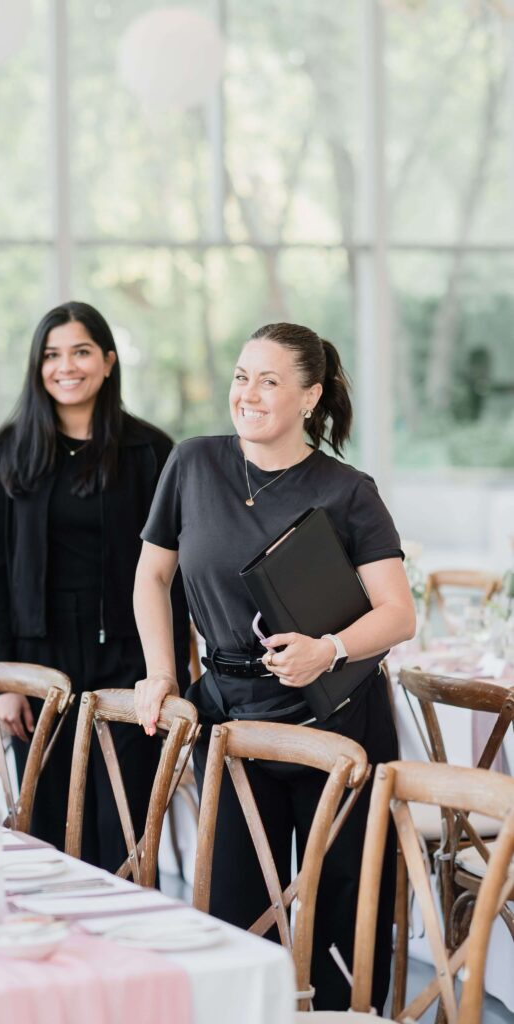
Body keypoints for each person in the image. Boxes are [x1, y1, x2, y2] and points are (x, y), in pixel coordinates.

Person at [133, 322, 415, 1011]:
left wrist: (331, 648)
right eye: (240, 376)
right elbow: (151, 576)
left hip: (337, 716)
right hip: (228, 714)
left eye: (268, 380)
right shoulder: (193, 464)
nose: (247, 394)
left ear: (310, 397)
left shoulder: (349, 490)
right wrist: (162, 675)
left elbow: (398, 614)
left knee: (345, 906)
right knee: (233, 904)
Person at [0, 301, 189, 869]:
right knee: (44, 826)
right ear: (37, 365)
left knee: (119, 824)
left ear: (108, 361)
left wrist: (172, 673)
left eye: (80, 351)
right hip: (39, 661)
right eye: (51, 354)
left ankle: (125, 948)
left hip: (128, 659)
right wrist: (5, 680)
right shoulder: (10, 449)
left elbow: (175, 573)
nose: (65, 366)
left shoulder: (150, 451)